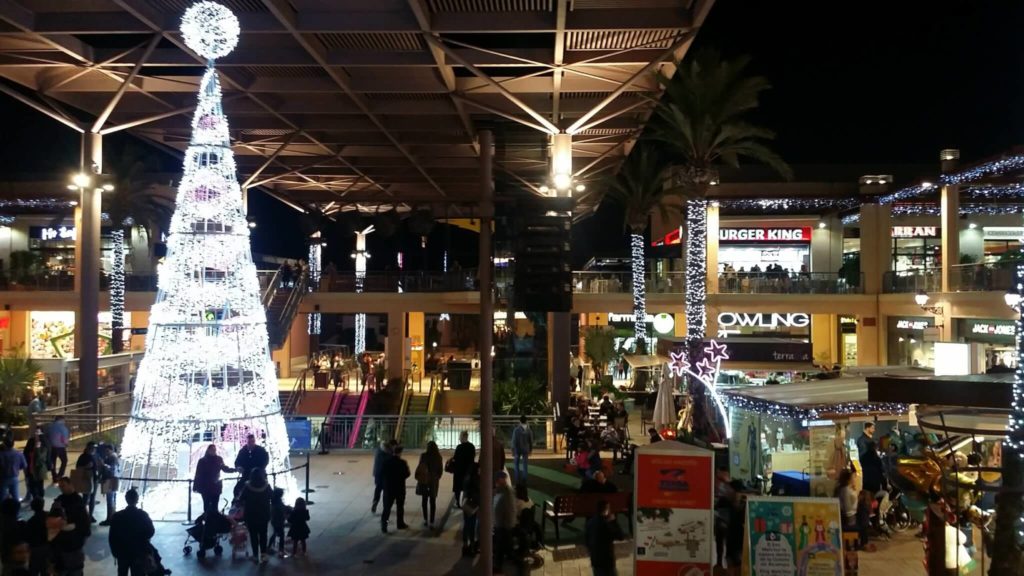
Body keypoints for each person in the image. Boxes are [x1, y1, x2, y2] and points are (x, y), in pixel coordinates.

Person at [107, 488, 155, 576]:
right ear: (137, 499)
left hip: (122, 553)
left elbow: (112, 537)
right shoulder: (143, 515)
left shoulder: (117, 517)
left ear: (126, 499)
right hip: (138, 553)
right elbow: (151, 531)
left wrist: (116, 552)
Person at [239, 468, 272, 563]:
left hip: (251, 515)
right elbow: (272, 496)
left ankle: (255, 555)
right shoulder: (266, 486)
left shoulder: (247, 486)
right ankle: (264, 554)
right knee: (263, 534)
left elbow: (241, 499)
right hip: (264, 514)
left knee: (253, 535)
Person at [193, 444, 235, 515]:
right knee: (207, 505)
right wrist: (196, 486)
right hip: (206, 487)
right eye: (212, 450)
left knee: (214, 506)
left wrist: (234, 470)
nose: (213, 451)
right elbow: (198, 474)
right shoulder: (203, 461)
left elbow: (225, 468)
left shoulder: (218, 459)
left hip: (214, 486)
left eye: (214, 450)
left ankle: (212, 522)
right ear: (208, 450)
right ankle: (208, 521)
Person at [585, 500, 624, 576]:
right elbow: (620, 536)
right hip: (607, 560)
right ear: (606, 509)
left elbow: (586, 540)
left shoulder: (590, 523)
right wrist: (614, 521)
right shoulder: (606, 524)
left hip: (595, 559)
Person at [381, 445, 410, 533]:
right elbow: (407, 474)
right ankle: (400, 523)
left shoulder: (386, 461)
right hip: (399, 488)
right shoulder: (402, 462)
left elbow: (382, 473)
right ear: (400, 453)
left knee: (387, 508)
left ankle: (384, 525)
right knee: (400, 506)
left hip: (389, 488)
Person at [492, 471, 517, 572]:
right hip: (503, 524)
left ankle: (499, 566)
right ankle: (502, 564)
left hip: (503, 525)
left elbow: (507, 510)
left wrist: (506, 524)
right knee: (503, 546)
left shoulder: (506, 493)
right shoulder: (502, 491)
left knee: (501, 547)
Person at [415, 441, 444, 529]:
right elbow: (440, 471)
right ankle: (432, 521)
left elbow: (420, 468)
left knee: (424, 500)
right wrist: (436, 477)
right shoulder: (438, 457)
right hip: (433, 481)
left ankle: (425, 519)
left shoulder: (423, 455)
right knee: (432, 501)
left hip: (424, 480)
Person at [714, 467, 736, 570]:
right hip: (722, 518)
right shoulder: (718, 484)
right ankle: (720, 563)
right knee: (721, 542)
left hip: (725, 519)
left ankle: (723, 563)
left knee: (725, 542)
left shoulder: (729, 486)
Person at [72, 443, 97, 522]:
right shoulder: (83, 457)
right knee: (87, 498)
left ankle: (89, 515)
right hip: (86, 480)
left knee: (91, 498)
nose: (94, 450)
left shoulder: (93, 456)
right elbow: (78, 468)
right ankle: (84, 515)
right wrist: (86, 467)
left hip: (93, 479)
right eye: (93, 448)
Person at [23, 498, 48, 576]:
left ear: (32, 508)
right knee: (46, 570)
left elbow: (27, 537)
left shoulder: (31, 521)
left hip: (35, 549)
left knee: (33, 570)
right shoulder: (48, 516)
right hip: (48, 547)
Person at [514, 483, 543, 550]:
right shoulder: (530, 501)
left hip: (520, 526)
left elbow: (514, 515)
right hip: (530, 524)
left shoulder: (517, 503)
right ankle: (538, 544)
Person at [97, 445, 120, 526]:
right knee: (112, 500)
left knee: (109, 501)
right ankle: (112, 517)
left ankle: (109, 519)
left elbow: (110, 469)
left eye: (107, 451)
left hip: (109, 480)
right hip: (112, 480)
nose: (106, 452)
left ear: (111, 450)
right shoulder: (114, 457)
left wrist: (103, 464)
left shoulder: (112, 458)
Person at [461, 463, 480, 557]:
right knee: (471, 525)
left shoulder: (467, 478)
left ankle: (465, 545)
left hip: (466, 502)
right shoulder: (476, 479)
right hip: (473, 503)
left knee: (467, 524)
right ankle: (472, 545)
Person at [451, 431, 475, 506]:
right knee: (467, 488)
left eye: (460, 437)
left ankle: (458, 502)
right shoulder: (471, 447)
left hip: (459, 470)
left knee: (457, 488)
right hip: (468, 470)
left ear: (462, 437)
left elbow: (455, 458)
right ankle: (466, 502)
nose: (459, 438)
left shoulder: (459, 447)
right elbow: (472, 459)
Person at [371, 440, 394, 513]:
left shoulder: (378, 451)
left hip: (377, 474)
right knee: (386, 492)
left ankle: (375, 502)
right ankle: (386, 507)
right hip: (385, 475)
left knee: (378, 489)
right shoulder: (388, 454)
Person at [0, 441, 26, 505]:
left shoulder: (1, 454)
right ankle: (16, 513)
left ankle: (2, 513)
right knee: (15, 497)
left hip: (3, 478)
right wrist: (17, 468)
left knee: (2, 497)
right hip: (14, 477)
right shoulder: (19, 453)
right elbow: (24, 465)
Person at [23, 436, 48, 501]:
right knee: (32, 487)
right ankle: (36, 499)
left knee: (39, 487)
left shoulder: (43, 449)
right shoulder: (28, 451)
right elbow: (25, 459)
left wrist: (37, 449)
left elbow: (40, 458)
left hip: (39, 471)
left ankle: (39, 500)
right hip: (31, 470)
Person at [511, 415, 533, 485]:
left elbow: (514, 441)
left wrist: (513, 450)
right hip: (526, 449)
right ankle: (524, 480)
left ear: (520, 421)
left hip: (517, 449)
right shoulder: (529, 430)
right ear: (526, 421)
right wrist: (530, 449)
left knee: (516, 465)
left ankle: (517, 480)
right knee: (525, 465)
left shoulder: (516, 430)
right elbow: (531, 441)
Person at [47, 417, 70, 483]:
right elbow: (64, 438)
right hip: (60, 447)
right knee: (64, 461)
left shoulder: (50, 427)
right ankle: (60, 475)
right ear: (61, 420)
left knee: (53, 462)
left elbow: (48, 436)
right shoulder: (63, 428)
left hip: (52, 447)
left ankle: (54, 476)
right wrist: (66, 444)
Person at [268, 487, 288, 557]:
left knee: (275, 533)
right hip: (279, 521)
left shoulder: (274, 501)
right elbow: (281, 510)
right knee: (281, 535)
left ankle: (269, 547)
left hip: (274, 521)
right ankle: (281, 550)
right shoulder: (278, 503)